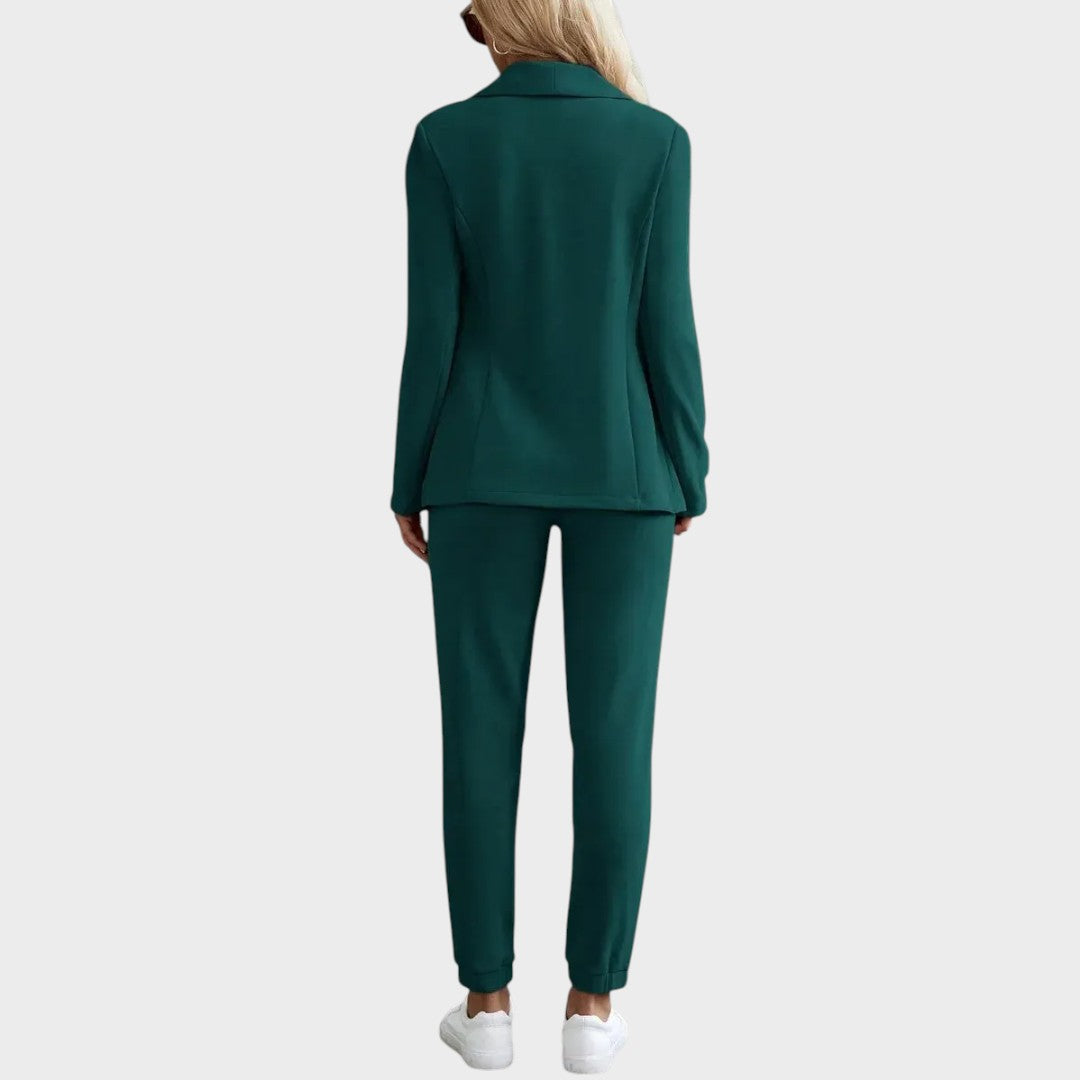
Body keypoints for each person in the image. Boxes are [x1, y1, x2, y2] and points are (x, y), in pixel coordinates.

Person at [390, 0, 708, 1070]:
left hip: (478, 469)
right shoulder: (655, 142)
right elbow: (666, 322)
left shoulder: (446, 140)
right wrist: (689, 465)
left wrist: (408, 475)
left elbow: (433, 326)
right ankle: (592, 1010)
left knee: (479, 732)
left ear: (502, 21)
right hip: (628, 470)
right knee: (615, 735)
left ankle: (485, 1008)